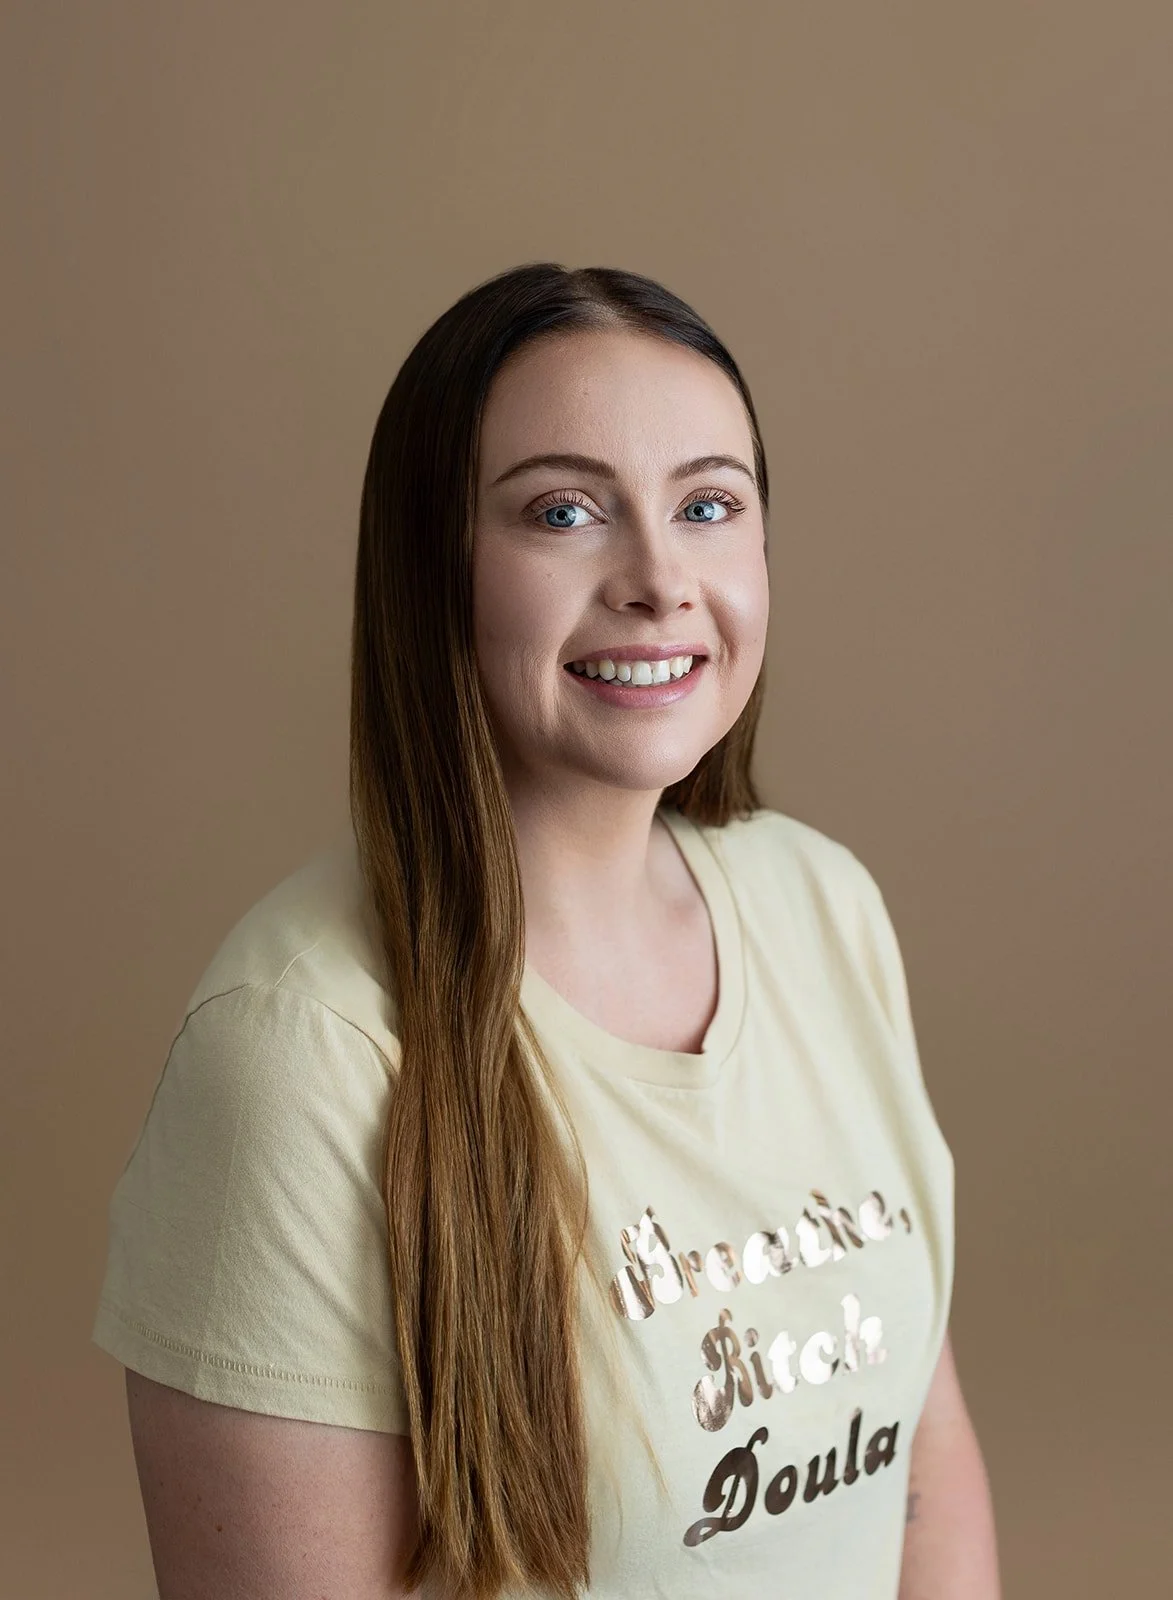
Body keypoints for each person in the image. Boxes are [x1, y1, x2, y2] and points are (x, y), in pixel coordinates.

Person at [92, 263, 1000, 1599]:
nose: (657, 579)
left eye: (707, 505)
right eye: (565, 512)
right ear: (434, 563)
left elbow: (926, 1477)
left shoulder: (823, 907)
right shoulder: (303, 1053)